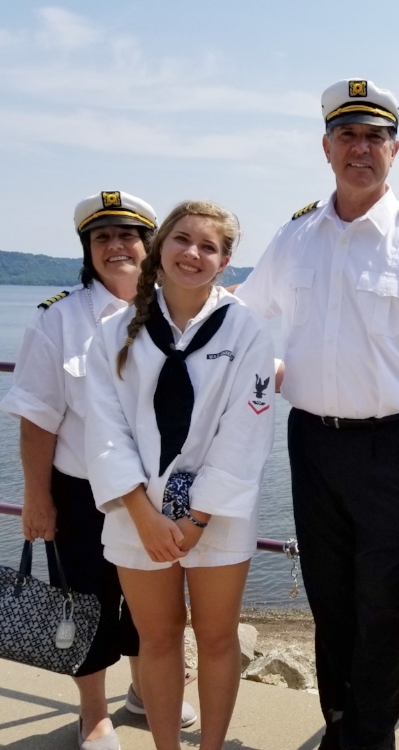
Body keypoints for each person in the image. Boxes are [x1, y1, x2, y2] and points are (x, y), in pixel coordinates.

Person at [236, 78, 399, 750]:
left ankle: (372, 736)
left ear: (395, 150)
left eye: (374, 137)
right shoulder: (296, 236)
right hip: (314, 444)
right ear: (326, 148)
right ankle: (341, 723)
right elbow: (239, 314)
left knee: (384, 602)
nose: (361, 149)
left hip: (398, 446)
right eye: (348, 136)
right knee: (329, 596)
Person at [0, 191, 196, 750]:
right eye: (102, 237)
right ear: (88, 250)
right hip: (83, 489)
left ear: (149, 245)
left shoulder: (176, 310)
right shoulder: (58, 320)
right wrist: (36, 498)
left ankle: (143, 691)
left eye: (128, 235)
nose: (116, 247)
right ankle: (94, 714)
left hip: (156, 491)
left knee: (152, 600)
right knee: (84, 600)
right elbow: (37, 419)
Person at [85, 201, 275, 750]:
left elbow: (245, 434)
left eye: (208, 247)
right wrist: (145, 516)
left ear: (225, 262)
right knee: (158, 638)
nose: (193, 253)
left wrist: (194, 517)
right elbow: (105, 430)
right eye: (182, 239)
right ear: (160, 247)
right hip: (136, 513)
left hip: (215, 514)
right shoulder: (115, 332)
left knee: (217, 640)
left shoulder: (246, 332)